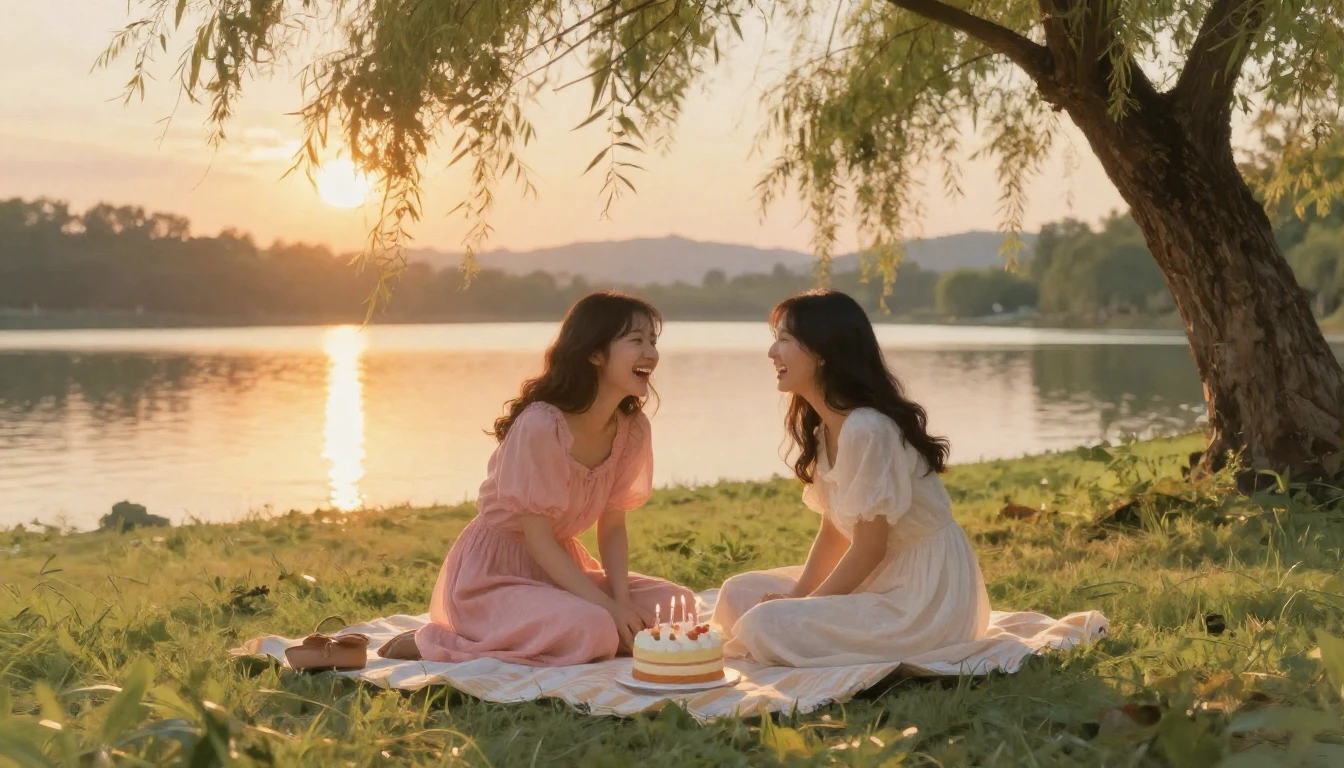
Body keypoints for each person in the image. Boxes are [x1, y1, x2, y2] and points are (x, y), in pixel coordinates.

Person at [379, 291, 694, 665]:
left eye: (653, 342)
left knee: (677, 608)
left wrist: (622, 602)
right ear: (594, 353)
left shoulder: (632, 429)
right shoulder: (543, 424)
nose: (651, 354)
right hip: (495, 576)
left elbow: (612, 527)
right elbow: (538, 539)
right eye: (636, 341)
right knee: (594, 626)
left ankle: (593, 629)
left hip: (561, 568)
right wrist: (608, 608)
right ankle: (441, 642)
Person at [711, 289, 992, 666]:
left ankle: (780, 634)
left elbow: (868, 548)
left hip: (921, 600)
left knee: (766, 623)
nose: (772, 353)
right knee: (735, 594)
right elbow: (833, 533)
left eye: (784, 340)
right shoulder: (825, 431)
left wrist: (807, 607)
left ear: (822, 352)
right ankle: (783, 628)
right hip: (877, 579)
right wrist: (798, 596)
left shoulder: (868, 429)